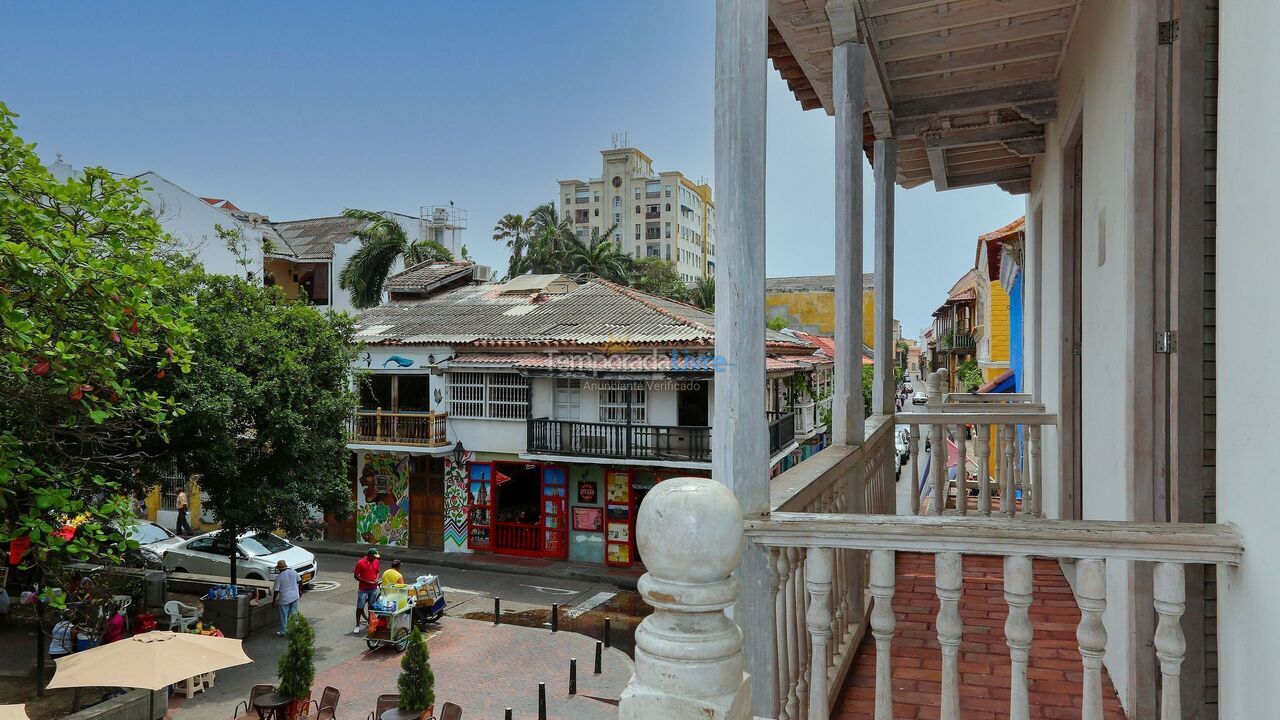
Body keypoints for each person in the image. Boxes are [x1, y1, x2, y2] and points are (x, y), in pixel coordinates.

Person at [352, 547, 380, 634]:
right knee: (360, 606)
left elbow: (377, 572)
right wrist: (367, 582)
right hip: (363, 588)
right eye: (374, 556)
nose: (375, 558)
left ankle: (370, 622)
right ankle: (357, 625)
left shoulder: (376, 561)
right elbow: (356, 575)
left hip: (373, 588)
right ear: (369, 555)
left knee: (371, 606)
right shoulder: (360, 563)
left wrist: (376, 578)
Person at [272, 559, 301, 637]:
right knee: (294, 613)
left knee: (283, 615)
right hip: (295, 596)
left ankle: (284, 631)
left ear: (278, 569)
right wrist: (300, 591)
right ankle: (295, 628)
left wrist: (273, 601)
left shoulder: (279, 577)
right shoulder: (293, 572)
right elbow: (300, 581)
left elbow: (276, 590)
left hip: (284, 599)